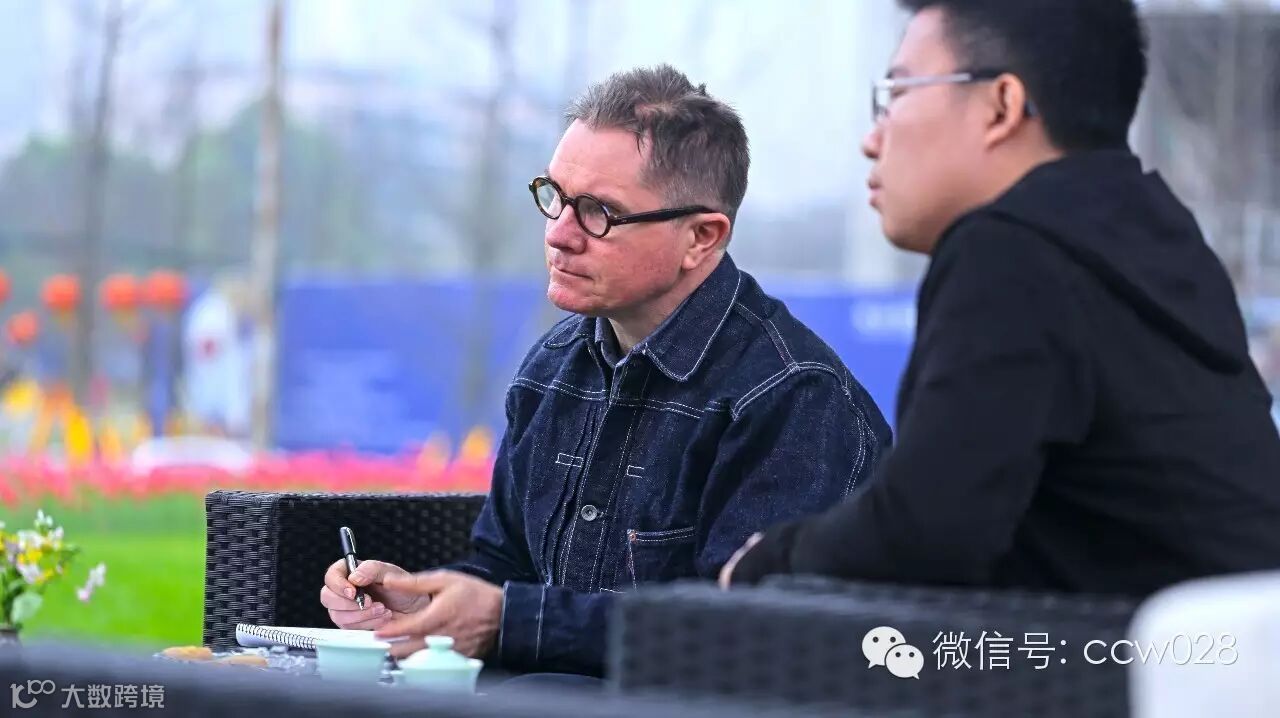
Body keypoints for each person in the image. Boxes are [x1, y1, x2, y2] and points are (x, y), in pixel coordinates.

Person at [320, 65, 891, 677]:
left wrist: (508, 621)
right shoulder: (552, 366)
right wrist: (425, 605)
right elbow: (503, 565)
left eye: (599, 213)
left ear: (701, 237)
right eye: (554, 197)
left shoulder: (794, 399)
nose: (559, 234)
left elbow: (742, 636)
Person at [722, 0, 1280, 595]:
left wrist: (766, 561)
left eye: (897, 94)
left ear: (1001, 106)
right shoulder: (1154, 244)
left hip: (1157, 651)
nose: (871, 140)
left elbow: (921, 531)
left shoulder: (1012, 250)